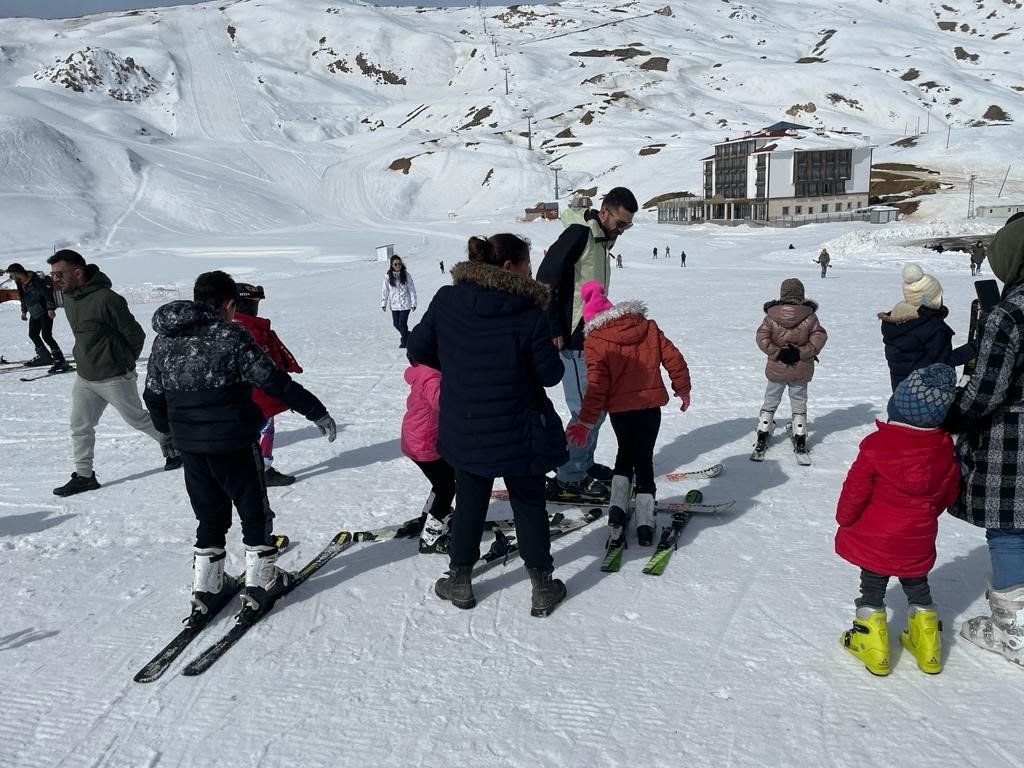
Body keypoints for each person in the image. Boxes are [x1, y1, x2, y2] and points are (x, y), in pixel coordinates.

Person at [144, 270, 337, 620]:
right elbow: (273, 381)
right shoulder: (229, 335)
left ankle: (208, 586)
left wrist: (169, 433)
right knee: (253, 511)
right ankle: (262, 582)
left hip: (191, 446)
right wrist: (316, 411)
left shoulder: (164, 339)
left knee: (209, 513)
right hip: (232, 440)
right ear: (229, 304)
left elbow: (152, 394)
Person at [408, 234, 569, 617]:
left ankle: (460, 580)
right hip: (520, 427)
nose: (532, 271)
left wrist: (458, 362)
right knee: (528, 503)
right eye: (528, 263)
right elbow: (550, 375)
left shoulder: (448, 300)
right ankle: (542, 587)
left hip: (465, 424)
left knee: (470, 503)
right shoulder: (529, 312)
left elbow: (417, 349)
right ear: (510, 267)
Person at [835, 364, 960, 676]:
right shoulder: (944, 449)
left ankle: (873, 646)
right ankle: (928, 645)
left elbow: (856, 489)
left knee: (873, 585)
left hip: (875, 538)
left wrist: (845, 518)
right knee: (917, 584)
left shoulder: (877, 445)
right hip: (917, 538)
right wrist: (927, 515)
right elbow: (948, 491)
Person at [947, 212, 1024, 666]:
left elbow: (985, 392)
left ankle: (1012, 630)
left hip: (1012, 437)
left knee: (1011, 528)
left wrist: (950, 415)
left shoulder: (1010, 312)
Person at [566, 281, 691, 546]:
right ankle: (645, 523)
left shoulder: (595, 341)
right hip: (649, 408)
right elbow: (674, 359)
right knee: (644, 459)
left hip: (620, 412)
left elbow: (596, 387)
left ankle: (617, 511)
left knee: (624, 455)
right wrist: (683, 389)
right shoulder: (648, 327)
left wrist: (584, 423)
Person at [46, 249, 179, 497]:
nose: (56, 280)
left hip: (114, 375)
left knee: (138, 419)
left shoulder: (107, 299)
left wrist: (122, 362)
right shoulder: (70, 298)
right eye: (53, 275)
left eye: (59, 274)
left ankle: (177, 450)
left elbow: (135, 335)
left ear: (78, 272)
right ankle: (85, 476)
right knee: (80, 426)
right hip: (86, 376)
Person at [536, 186, 638, 500]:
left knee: (596, 406)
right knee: (586, 408)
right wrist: (554, 325)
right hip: (572, 337)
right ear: (604, 212)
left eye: (628, 226)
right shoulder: (579, 235)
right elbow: (546, 277)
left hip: (592, 335)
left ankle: (581, 463)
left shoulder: (600, 239)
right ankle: (570, 474)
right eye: (620, 223)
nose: (622, 230)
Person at [232, 282, 303, 486]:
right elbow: (264, 365)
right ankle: (263, 470)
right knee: (263, 430)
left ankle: (253, 469)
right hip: (258, 392)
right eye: (251, 303)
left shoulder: (239, 326)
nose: (255, 308)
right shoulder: (248, 329)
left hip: (248, 393)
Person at [753, 278, 828, 454]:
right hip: (800, 368)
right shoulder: (810, 316)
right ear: (801, 295)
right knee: (799, 400)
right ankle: (800, 431)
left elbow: (761, 337)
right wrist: (801, 353)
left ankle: (764, 429)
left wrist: (777, 352)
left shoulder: (771, 316)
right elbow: (819, 336)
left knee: (771, 398)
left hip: (776, 368)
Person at [401, 356, 456, 554]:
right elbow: (440, 401)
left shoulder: (423, 371)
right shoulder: (432, 376)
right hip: (424, 443)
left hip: (417, 438)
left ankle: (430, 517)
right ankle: (432, 536)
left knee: (443, 480)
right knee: (447, 486)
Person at [878, 263, 959, 392]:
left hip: (902, 396)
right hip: (928, 398)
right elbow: (941, 365)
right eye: (939, 296)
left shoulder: (896, 323)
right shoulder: (934, 328)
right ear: (933, 300)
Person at [5, 263, 70, 373]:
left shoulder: (36, 281)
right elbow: (23, 298)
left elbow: (47, 294)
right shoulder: (20, 282)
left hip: (44, 311)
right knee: (33, 334)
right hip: (34, 312)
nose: (11, 277)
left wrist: (50, 309)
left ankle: (60, 360)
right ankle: (44, 356)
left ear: (17, 273)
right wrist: (24, 311)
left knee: (46, 335)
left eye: (12, 275)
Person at [381, 255, 417, 348]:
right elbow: (385, 290)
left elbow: (412, 289)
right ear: (392, 265)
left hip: (405, 304)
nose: (398, 266)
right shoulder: (387, 276)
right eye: (395, 264)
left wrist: (414, 303)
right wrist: (383, 303)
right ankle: (410, 336)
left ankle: (405, 342)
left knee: (402, 324)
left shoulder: (406, 275)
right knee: (396, 324)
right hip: (394, 305)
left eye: (399, 264)